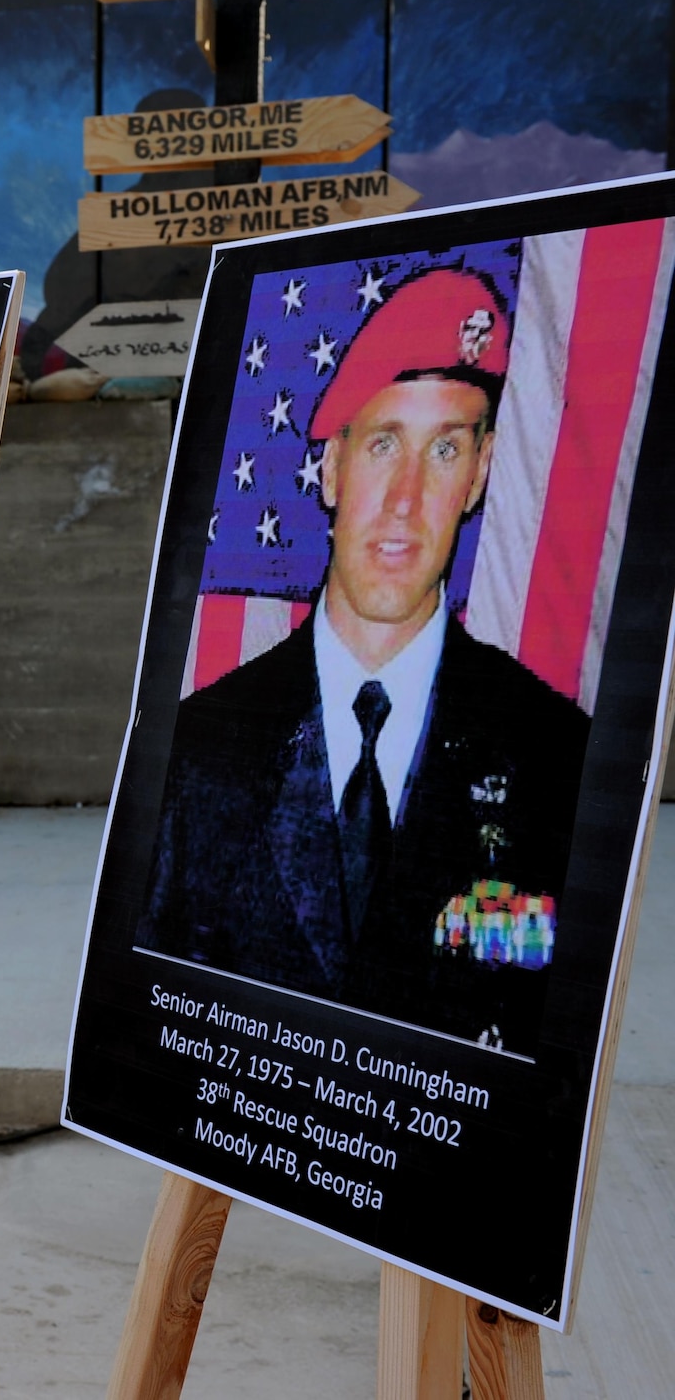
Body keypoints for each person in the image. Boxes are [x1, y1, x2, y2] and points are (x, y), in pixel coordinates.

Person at [138, 267, 590, 1054]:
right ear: (333, 467)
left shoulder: (554, 751)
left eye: (444, 448)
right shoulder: (201, 750)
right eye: (384, 443)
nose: (407, 498)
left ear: (479, 474)